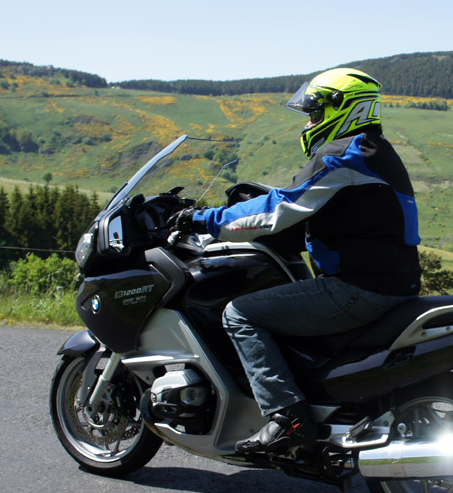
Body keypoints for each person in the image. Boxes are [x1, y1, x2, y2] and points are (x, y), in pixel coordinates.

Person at [169, 68, 421, 454]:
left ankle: (288, 418)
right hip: (390, 283)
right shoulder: (373, 150)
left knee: (241, 314)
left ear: (344, 108)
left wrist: (202, 218)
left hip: (359, 288)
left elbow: (280, 208)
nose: (309, 122)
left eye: (315, 112)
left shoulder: (342, 154)